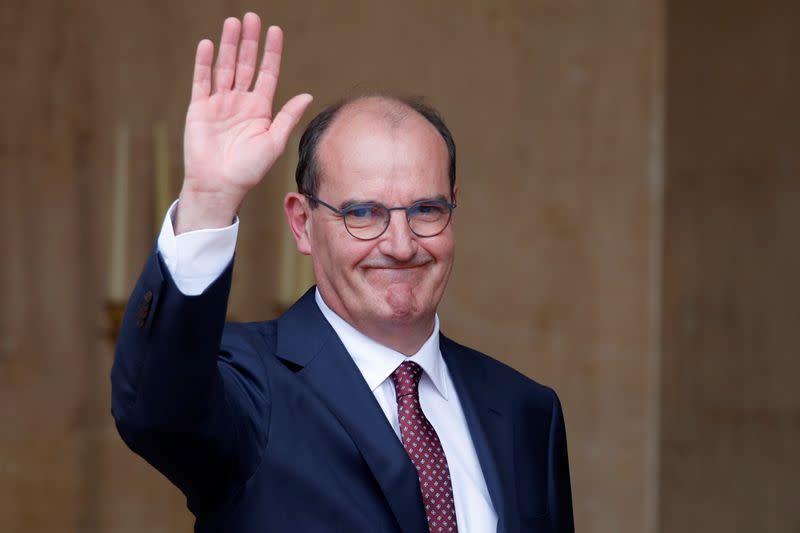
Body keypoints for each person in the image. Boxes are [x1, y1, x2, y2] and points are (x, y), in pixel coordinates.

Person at [111, 12, 573, 533]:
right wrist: (208, 202)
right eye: (363, 213)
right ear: (303, 224)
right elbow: (154, 410)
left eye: (425, 209)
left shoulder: (526, 411)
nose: (400, 246)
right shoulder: (247, 384)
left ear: (453, 208)